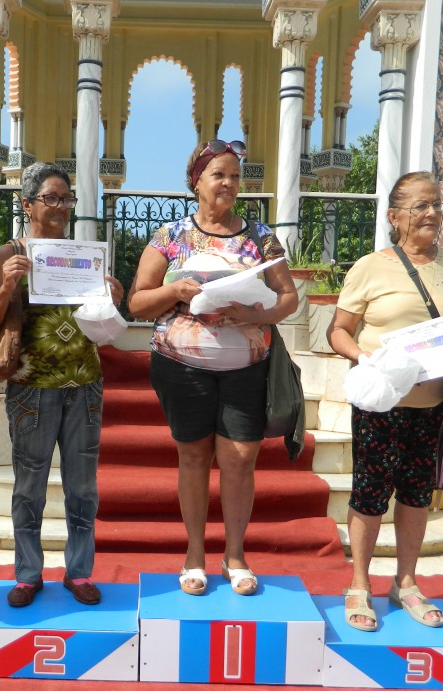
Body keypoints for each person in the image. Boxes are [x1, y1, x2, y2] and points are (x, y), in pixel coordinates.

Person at [127, 140, 298, 597]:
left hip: (246, 368)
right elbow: (137, 301)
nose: (228, 183)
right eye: (218, 174)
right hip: (182, 367)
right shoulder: (171, 236)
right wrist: (175, 291)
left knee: (240, 459)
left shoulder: (261, 237)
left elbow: (288, 297)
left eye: (235, 176)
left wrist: (255, 314)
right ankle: (195, 555)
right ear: (196, 182)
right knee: (194, 455)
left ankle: (236, 555)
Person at [326, 170, 443, 631]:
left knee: (418, 495)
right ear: (394, 216)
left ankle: (406, 582)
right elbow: (337, 331)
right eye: (420, 206)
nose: (433, 213)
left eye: (437, 204)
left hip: (437, 406)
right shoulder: (370, 267)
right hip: (383, 402)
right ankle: (359, 583)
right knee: (371, 493)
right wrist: (366, 358)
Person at [0, 162, 123, 609]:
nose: (60, 207)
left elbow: (103, 321)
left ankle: (79, 572)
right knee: (29, 484)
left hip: (84, 383)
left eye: (67, 199)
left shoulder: (84, 258)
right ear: (27, 204)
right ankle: (28, 573)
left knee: (83, 486)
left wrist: (111, 295)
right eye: (51, 198)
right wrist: (6, 287)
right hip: (32, 385)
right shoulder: (12, 253)